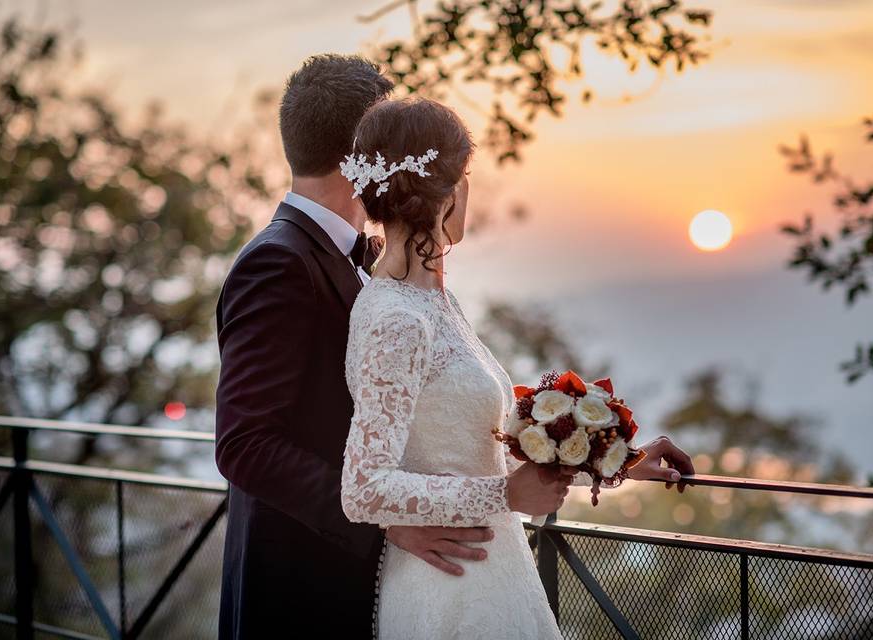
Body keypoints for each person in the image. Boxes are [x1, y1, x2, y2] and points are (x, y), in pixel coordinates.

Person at [340, 97, 695, 639]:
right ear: (450, 192)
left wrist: (613, 459)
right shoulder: (396, 318)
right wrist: (504, 498)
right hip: (450, 588)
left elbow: (465, 453)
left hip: (492, 572)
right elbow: (363, 488)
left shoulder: (435, 302)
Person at [214, 55, 498, 639]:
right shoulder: (278, 262)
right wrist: (387, 524)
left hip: (373, 585)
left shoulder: (368, 260)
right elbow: (244, 444)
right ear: (362, 151)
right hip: (302, 591)